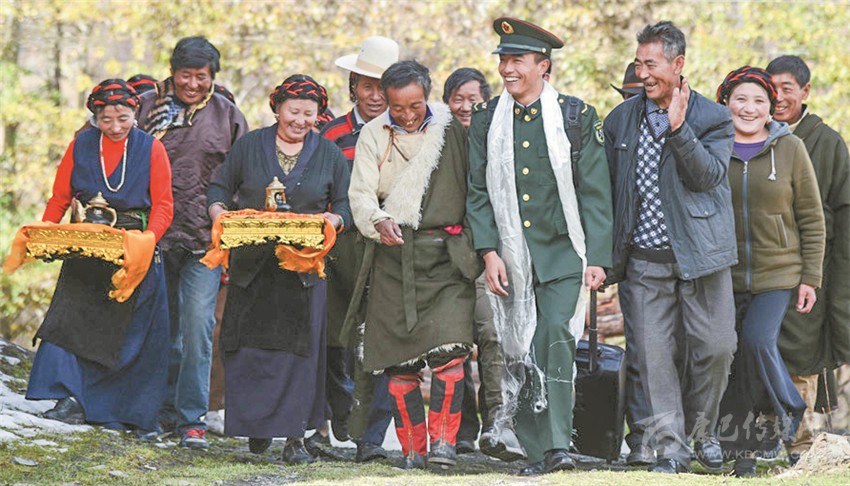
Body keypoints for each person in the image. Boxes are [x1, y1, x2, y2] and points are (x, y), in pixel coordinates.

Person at [466, 18, 613, 475]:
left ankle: (558, 444)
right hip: (511, 255)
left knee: (555, 336)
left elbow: (595, 193)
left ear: (543, 66)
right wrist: (489, 252)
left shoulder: (576, 116)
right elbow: (478, 191)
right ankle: (536, 450)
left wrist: (599, 258)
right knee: (521, 344)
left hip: (564, 253)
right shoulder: (487, 118)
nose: (507, 69)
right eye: (503, 61)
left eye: (518, 61)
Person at [603, 21, 738, 474]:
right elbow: (608, 192)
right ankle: (670, 450)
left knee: (717, 348)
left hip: (701, 257)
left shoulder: (713, 117)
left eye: (652, 64)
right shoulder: (620, 119)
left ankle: (704, 433)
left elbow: (708, 177)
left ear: (678, 64)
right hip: (644, 262)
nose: (643, 73)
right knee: (654, 359)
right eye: (638, 64)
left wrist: (678, 129)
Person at [206, 74, 350, 464]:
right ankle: (256, 427)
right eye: (293, 111)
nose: (300, 120)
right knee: (250, 350)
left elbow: (344, 204)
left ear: (318, 115)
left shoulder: (329, 154)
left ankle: (294, 439)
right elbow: (219, 188)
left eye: (309, 113)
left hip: (303, 271)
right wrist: (219, 214)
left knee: (299, 356)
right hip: (252, 267)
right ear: (277, 108)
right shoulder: (250, 145)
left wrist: (333, 221)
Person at [346, 60, 477, 470]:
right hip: (392, 255)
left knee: (451, 352)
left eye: (415, 106)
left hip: (446, 257)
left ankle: (444, 445)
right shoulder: (372, 134)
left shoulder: (451, 131)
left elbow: (475, 189)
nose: (406, 115)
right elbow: (360, 194)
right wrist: (378, 220)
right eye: (397, 107)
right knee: (399, 362)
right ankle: (412, 450)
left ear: (428, 96)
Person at [26, 79, 173, 435]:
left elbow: (164, 205)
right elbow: (60, 197)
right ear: (95, 116)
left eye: (123, 118)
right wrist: (46, 232)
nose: (116, 126)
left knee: (132, 332)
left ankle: (128, 411)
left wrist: (148, 241)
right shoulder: (81, 144)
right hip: (86, 245)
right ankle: (70, 399)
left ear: (135, 113)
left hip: (134, 248)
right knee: (71, 320)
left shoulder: (152, 148)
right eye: (106, 119)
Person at [138, 36, 248, 449]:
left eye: (201, 76)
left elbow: (243, 176)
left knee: (199, 329)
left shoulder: (227, 115)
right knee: (159, 329)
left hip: (205, 241)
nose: (193, 84)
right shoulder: (146, 107)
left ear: (212, 77)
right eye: (186, 75)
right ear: (173, 72)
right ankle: (156, 411)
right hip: (153, 238)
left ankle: (191, 419)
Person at [714, 66, 825, 476]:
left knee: (757, 339)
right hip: (723, 274)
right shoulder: (714, 146)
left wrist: (810, 277)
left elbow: (812, 217)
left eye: (759, 100)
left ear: (770, 108)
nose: (749, 108)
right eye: (740, 99)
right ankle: (740, 450)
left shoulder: (791, 148)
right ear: (725, 103)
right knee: (732, 359)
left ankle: (790, 408)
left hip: (778, 274)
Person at [765, 55, 850, 464]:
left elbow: (842, 216)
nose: (779, 97)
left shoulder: (827, 142)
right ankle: (762, 439)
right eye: (772, 88)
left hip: (810, 271)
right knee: (760, 350)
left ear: (805, 92)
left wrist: (830, 278)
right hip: (763, 267)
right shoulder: (753, 134)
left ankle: (797, 444)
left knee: (801, 356)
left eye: (788, 88)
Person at [319, 35, 399, 463]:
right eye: (367, 86)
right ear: (353, 86)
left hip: (388, 247)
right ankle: (340, 411)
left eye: (383, 87)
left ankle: (371, 436)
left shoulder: (407, 131)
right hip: (340, 248)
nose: (375, 96)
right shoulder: (332, 133)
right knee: (336, 337)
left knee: (380, 341)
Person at [441, 67, 508, 456]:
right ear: (446, 102)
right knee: (453, 341)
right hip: (447, 255)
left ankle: (497, 421)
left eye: (474, 99)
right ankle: (461, 427)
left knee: (492, 334)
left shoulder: (499, 136)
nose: (466, 107)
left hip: (490, 253)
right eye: (458, 99)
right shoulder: (436, 140)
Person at [609, 60, 654, 467]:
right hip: (634, 256)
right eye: (629, 96)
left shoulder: (685, 123)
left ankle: (683, 433)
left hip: (681, 257)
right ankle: (640, 437)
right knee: (640, 350)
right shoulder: (614, 127)